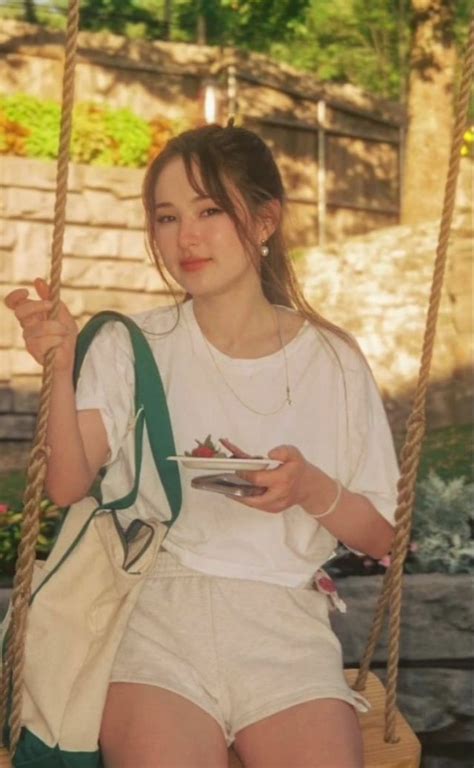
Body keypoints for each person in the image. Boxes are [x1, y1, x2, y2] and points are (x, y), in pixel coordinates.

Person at [5, 122, 398, 768]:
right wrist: (60, 367)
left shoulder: (332, 359)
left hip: (284, 622)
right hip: (156, 612)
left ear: (265, 220)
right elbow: (66, 485)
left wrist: (309, 488)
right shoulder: (131, 345)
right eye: (167, 217)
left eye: (210, 210)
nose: (186, 237)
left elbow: (382, 534)